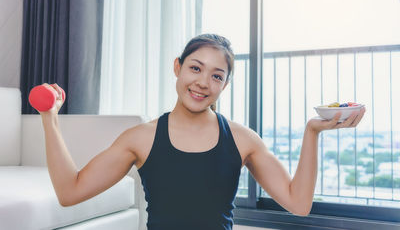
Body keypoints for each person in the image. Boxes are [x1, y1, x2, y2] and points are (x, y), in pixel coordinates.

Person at [39, 34, 366, 230]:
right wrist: (49, 118)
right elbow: (70, 192)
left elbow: (299, 203)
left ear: (225, 84)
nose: (202, 83)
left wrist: (312, 133)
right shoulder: (140, 137)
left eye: (216, 76)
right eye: (195, 68)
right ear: (177, 67)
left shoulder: (243, 139)